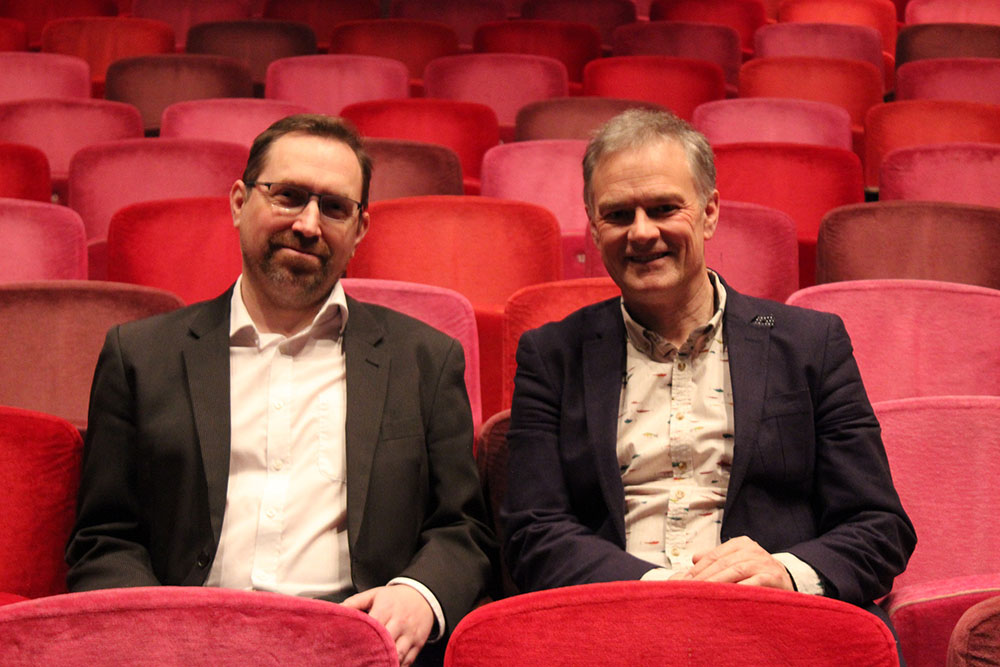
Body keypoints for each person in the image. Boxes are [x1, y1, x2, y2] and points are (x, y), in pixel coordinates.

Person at [66, 114, 494, 666]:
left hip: (358, 648)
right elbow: (104, 538)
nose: (309, 225)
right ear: (240, 202)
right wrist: (156, 635)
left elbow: (463, 527)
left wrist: (419, 594)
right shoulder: (141, 356)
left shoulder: (425, 360)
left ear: (360, 230)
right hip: (183, 646)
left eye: (335, 207)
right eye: (288, 196)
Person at [501, 109, 915, 617]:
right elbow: (530, 531)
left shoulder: (811, 344)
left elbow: (879, 526)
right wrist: (655, 587)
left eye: (663, 208)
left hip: (771, 621)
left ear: (710, 212)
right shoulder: (551, 355)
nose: (642, 232)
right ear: (593, 227)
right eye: (617, 215)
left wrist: (785, 572)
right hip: (611, 619)